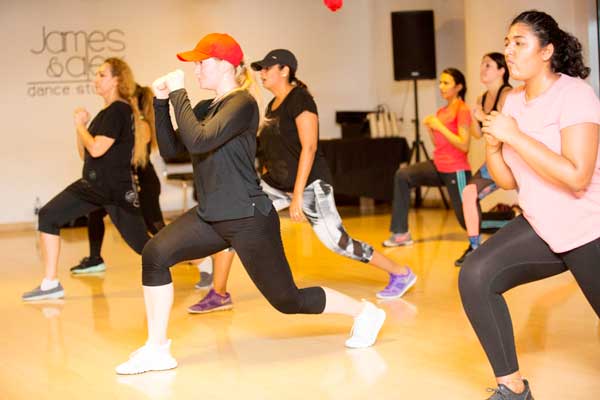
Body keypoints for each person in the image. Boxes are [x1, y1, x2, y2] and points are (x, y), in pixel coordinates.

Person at [115, 33, 386, 375]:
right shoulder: (205, 108)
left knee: (288, 300)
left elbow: (199, 140)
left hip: (248, 217)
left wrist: (179, 92)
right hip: (211, 215)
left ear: (226, 65)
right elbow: (171, 150)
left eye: (201, 63)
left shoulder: (242, 104)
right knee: (155, 254)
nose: (196, 70)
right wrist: (161, 101)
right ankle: (156, 349)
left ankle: (365, 314)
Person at [187, 49, 416, 314]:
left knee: (338, 242)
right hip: (276, 183)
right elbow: (272, 150)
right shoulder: (272, 106)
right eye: (260, 69)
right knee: (235, 219)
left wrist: (297, 196)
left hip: (310, 185)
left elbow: (309, 147)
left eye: (267, 68)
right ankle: (219, 293)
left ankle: (400, 273)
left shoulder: (300, 99)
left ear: (285, 70)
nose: (262, 73)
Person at [459, 10, 600, 399]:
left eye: (519, 43)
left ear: (546, 51)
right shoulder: (513, 102)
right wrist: (493, 147)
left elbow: (577, 176)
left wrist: (515, 136)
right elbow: (508, 181)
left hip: (588, 227)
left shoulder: (574, 94)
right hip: (541, 225)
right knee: (476, 275)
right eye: (507, 43)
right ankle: (513, 388)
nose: (509, 51)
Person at [22, 58, 151, 301]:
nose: (96, 79)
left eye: (102, 74)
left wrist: (80, 125)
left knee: (146, 247)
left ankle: (201, 259)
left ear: (116, 80)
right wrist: (80, 128)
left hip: (109, 188)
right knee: (48, 215)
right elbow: (85, 153)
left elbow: (97, 149)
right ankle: (50, 284)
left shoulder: (118, 110)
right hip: (97, 186)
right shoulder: (106, 113)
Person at [70, 84, 166, 274]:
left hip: (143, 184)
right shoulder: (123, 121)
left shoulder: (141, 125)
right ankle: (95, 258)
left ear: (133, 101)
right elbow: (92, 152)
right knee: (95, 213)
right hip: (119, 184)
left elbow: (131, 157)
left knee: (155, 227)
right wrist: (82, 129)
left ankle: (192, 256)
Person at [383, 68, 472, 247]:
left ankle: (506, 220)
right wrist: (431, 130)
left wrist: (439, 126)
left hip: (456, 170)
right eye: (440, 82)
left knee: (468, 221)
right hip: (438, 165)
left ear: (458, 87)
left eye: (446, 83)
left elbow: (464, 145)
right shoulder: (441, 111)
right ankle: (400, 234)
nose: (441, 86)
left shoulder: (462, 109)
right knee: (402, 175)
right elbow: (440, 144)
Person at [454, 53, 512, 267]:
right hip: (493, 161)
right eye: (482, 64)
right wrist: (472, 116)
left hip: (512, 161)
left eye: (488, 65)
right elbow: (478, 135)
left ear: (501, 70)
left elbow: (507, 132)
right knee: (469, 193)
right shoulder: (481, 98)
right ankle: (474, 247)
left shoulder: (508, 95)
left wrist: (482, 117)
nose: (482, 69)